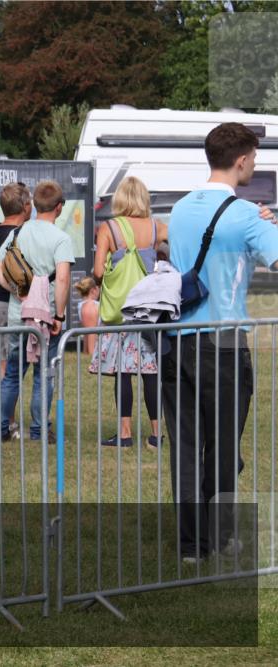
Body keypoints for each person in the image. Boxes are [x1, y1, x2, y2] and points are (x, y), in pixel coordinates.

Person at [162, 122, 278, 563]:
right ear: (242, 159)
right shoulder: (247, 214)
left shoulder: (181, 208)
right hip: (225, 341)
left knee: (187, 448)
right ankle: (222, 536)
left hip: (176, 339)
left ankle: (192, 546)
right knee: (224, 448)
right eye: (255, 156)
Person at [0, 180, 74, 442]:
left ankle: (0, 427)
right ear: (59, 208)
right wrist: (59, 315)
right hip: (46, 318)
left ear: (34, 205)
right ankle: (39, 429)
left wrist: (17, 290)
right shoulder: (61, 239)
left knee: (12, 374)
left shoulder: (19, 232)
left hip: (19, 315)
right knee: (43, 376)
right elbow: (62, 279)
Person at [88, 176, 167, 449]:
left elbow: (98, 272)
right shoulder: (158, 227)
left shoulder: (109, 228)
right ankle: (157, 434)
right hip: (149, 311)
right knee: (150, 373)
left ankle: (124, 433)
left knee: (123, 372)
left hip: (119, 313)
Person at [0, 181, 32, 374]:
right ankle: (4, 403)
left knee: (5, 363)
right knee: (9, 368)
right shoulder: (23, 234)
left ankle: (5, 401)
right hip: (14, 303)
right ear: (25, 207)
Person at [73, 276, 100, 355]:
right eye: (97, 288)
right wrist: (91, 356)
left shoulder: (82, 306)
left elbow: (86, 334)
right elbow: (91, 334)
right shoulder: (91, 306)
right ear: (93, 290)